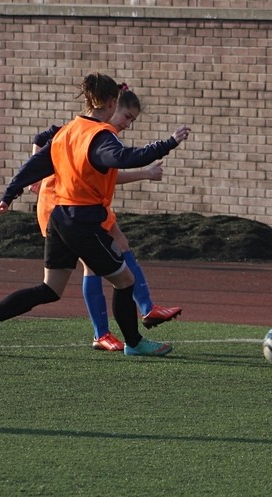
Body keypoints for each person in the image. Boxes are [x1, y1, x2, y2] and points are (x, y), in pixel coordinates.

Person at [0, 72, 190, 357]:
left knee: (50, 289)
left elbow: (33, 166)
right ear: (111, 102)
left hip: (59, 218)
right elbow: (125, 158)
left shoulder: (67, 131)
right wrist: (169, 142)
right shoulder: (100, 135)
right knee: (125, 280)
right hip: (82, 221)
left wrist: (8, 196)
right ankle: (134, 343)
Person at [30, 87, 182, 352]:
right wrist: (37, 174)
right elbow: (41, 138)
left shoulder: (105, 136)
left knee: (120, 244)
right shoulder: (87, 132)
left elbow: (109, 175)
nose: (127, 123)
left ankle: (146, 309)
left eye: (132, 119)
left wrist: (145, 173)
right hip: (63, 206)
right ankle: (103, 332)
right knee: (91, 267)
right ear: (111, 107)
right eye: (126, 116)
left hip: (88, 206)